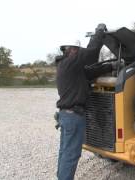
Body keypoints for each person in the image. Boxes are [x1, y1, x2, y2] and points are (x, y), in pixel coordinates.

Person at [55, 23, 111, 180]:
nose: (79, 52)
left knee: (65, 153)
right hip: (73, 117)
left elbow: (89, 72)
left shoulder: (67, 66)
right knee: (71, 155)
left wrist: (110, 66)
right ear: (72, 49)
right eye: (77, 50)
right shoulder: (70, 63)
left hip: (66, 116)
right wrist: (99, 33)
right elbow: (92, 52)